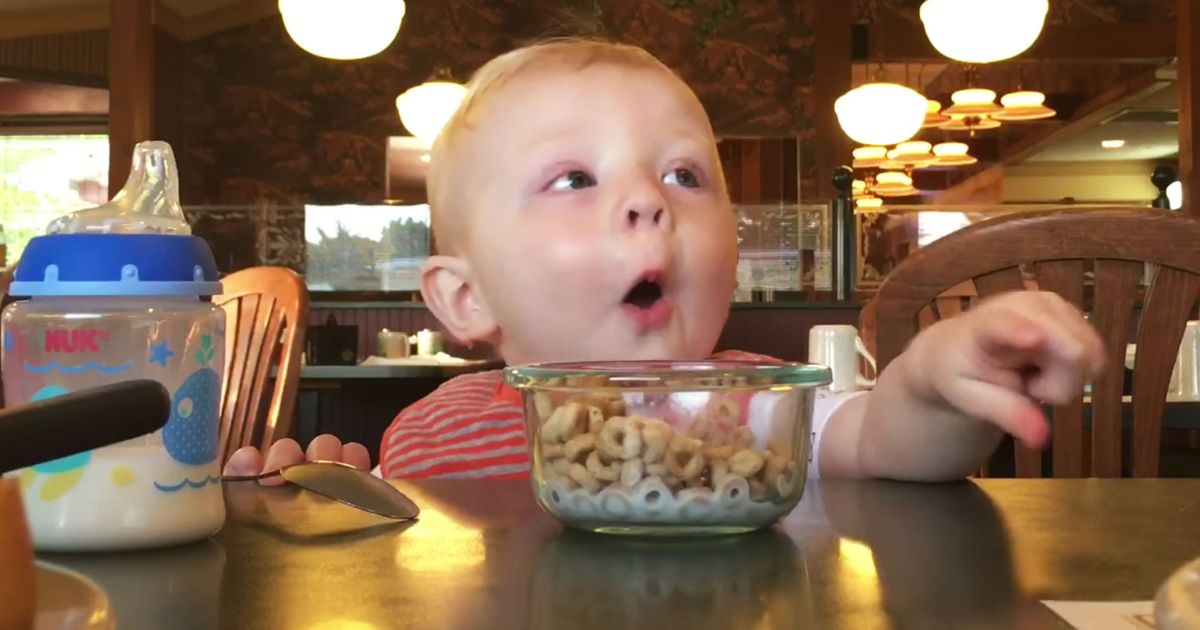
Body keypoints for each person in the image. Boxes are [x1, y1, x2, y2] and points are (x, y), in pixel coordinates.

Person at [224, 39, 1103, 484]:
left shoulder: (765, 403)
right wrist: (313, 498)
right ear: (465, 295)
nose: (650, 198)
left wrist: (929, 385)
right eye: (574, 177)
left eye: (685, 173)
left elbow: (887, 448)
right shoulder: (425, 439)